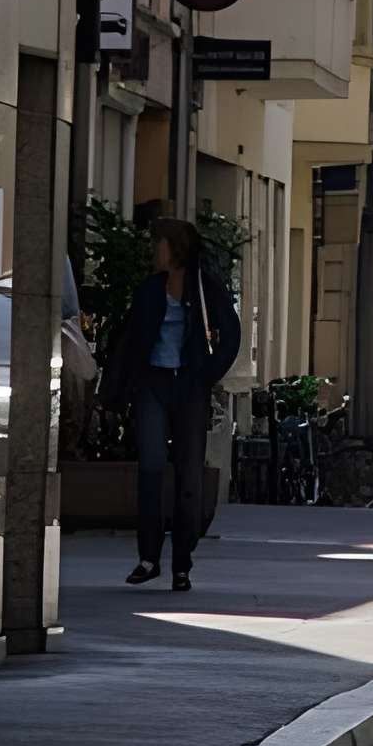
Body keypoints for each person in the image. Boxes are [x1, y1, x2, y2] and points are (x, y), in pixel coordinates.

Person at [100, 217, 240, 591]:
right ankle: (148, 557)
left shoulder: (205, 288)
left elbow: (231, 333)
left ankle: (181, 564)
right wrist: (124, 384)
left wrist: (208, 373)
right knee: (151, 466)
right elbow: (130, 338)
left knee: (188, 475)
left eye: (158, 244)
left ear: (174, 249)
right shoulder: (149, 289)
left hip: (190, 386)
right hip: (153, 384)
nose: (153, 251)